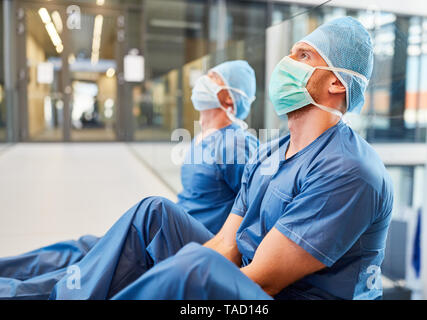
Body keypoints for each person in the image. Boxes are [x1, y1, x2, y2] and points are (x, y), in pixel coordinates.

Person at [46, 17, 393, 300]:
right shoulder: (270, 151)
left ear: (335, 83)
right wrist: (164, 270)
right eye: (290, 54)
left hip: (282, 294)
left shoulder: (348, 170)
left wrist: (181, 275)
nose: (286, 64)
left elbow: (263, 280)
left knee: (197, 269)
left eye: (303, 56)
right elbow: (227, 242)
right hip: (253, 278)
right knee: (155, 213)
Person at [0, 61, 259, 299]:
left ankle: (15, 293)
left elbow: (254, 211)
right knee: (84, 247)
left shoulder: (236, 143)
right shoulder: (204, 136)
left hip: (198, 241)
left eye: (212, 78)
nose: (202, 80)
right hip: (180, 227)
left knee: (100, 263)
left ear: (227, 97)